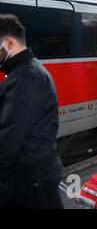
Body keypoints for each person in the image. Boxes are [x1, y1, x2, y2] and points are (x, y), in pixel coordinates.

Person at [0, 14, 64, 209]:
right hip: (27, 179)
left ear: (9, 43)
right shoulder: (23, 73)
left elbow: (8, 141)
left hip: (31, 183)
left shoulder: (26, 78)